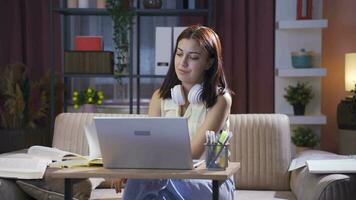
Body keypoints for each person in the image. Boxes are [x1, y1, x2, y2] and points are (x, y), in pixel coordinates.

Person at [114, 25, 234, 200]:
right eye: (179, 54)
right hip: (165, 180)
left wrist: (140, 170)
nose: (182, 63)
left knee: (146, 182)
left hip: (210, 182)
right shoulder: (159, 98)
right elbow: (148, 146)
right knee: (152, 188)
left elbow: (192, 154)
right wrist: (129, 166)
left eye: (193, 57)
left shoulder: (220, 100)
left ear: (209, 62)